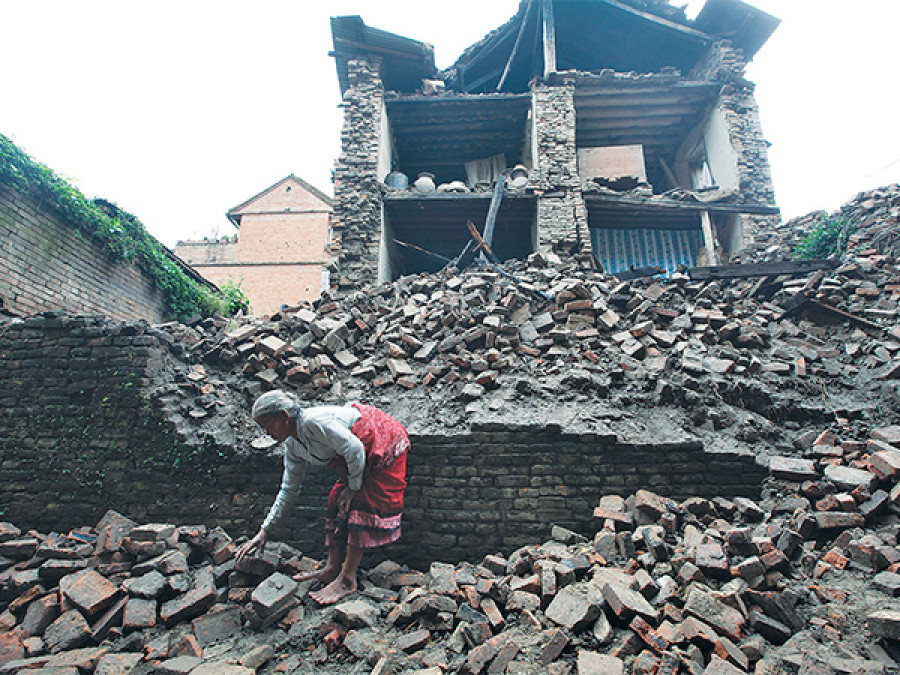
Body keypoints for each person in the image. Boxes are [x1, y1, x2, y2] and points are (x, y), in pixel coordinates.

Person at [235, 390, 409, 605]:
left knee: (360, 503)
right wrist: (265, 530)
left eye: (267, 426)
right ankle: (331, 568)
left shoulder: (314, 422)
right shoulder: (293, 446)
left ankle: (347, 578)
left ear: (283, 416)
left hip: (380, 440)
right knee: (336, 501)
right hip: (354, 457)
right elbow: (289, 489)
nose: (266, 432)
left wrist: (354, 487)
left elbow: (354, 448)